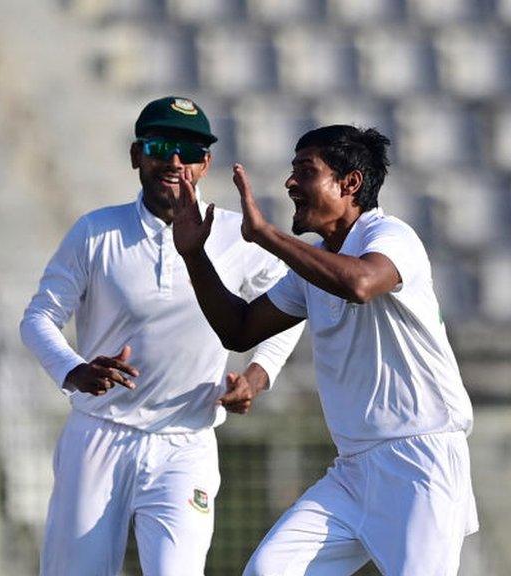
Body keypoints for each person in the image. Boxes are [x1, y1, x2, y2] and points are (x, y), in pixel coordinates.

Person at [170, 125, 476, 575]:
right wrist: (194, 255)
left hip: (421, 462)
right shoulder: (311, 268)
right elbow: (238, 330)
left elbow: (360, 283)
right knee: (268, 571)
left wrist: (266, 235)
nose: (290, 183)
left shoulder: (392, 236)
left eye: (305, 172)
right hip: (353, 472)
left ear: (349, 184)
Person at [19, 96, 304, 575]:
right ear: (137, 155)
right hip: (99, 435)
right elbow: (38, 318)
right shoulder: (96, 232)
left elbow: (295, 305)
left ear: (206, 162)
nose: (175, 161)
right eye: (161, 146)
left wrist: (259, 375)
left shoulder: (238, 236)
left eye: (190, 150)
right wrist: (74, 370)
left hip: (186, 440)